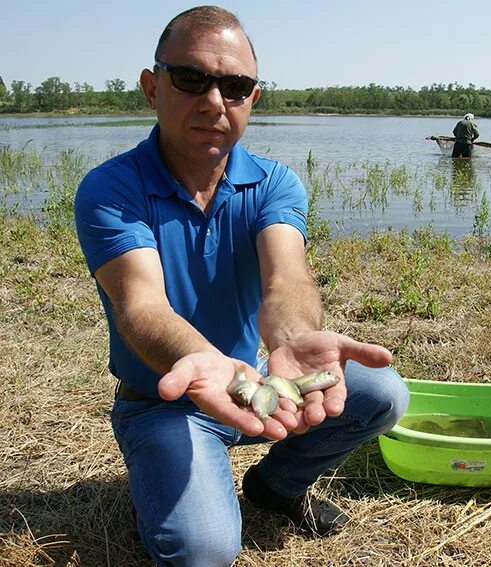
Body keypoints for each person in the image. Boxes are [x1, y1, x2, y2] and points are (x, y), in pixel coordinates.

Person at [73, 6, 409, 566]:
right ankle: (162, 503)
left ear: (252, 99)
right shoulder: (111, 190)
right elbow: (141, 304)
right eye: (191, 79)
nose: (213, 101)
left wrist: (292, 338)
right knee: (203, 551)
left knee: (382, 393)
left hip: (254, 387)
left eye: (234, 86)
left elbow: (286, 275)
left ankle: (276, 486)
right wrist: (212, 367)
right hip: (169, 401)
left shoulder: (274, 182)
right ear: (152, 88)